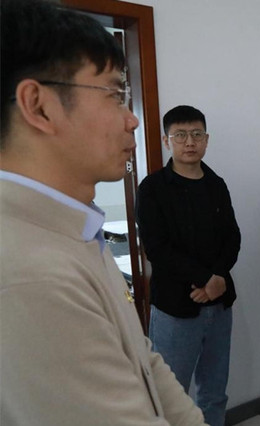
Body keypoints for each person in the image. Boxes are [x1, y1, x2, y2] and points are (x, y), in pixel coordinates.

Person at [0, 1, 206, 424]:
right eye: (115, 95)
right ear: (39, 106)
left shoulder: (78, 228)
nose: (132, 120)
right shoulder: (29, 274)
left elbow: (144, 360)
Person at [136, 105, 241, 425]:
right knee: (170, 393)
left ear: (206, 139)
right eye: (180, 135)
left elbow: (232, 237)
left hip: (219, 304)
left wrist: (218, 278)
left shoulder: (216, 184)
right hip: (175, 309)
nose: (190, 142)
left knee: (215, 391)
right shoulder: (152, 188)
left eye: (197, 134)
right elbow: (157, 248)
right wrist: (206, 278)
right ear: (166, 141)